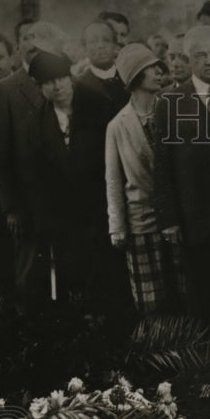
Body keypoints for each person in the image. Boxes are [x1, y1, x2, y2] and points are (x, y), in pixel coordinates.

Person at [152, 25, 210, 356]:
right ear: (188, 58)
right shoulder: (170, 103)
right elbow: (163, 165)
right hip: (194, 220)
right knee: (200, 302)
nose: (209, 61)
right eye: (200, 55)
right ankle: (204, 374)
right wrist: (169, 219)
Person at [22, 50, 126, 309]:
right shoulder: (37, 122)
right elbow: (37, 177)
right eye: (48, 82)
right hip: (65, 222)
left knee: (110, 284)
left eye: (61, 78)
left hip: (102, 214)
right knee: (73, 287)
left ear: (70, 78)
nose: (57, 86)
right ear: (39, 87)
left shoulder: (99, 107)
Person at [0, 19, 64, 304]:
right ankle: (32, 327)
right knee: (31, 276)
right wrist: (11, 206)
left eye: (41, 37)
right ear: (18, 47)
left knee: (70, 271)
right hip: (26, 203)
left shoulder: (66, 82)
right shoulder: (5, 90)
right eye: (27, 38)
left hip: (64, 200)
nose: (34, 43)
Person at [105, 43, 187, 315]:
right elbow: (113, 181)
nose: (159, 72)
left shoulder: (172, 110)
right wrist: (117, 226)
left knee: (186, 295)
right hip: (142, 224)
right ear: (135, 76)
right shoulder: (117, 126)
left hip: (176, 219)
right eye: (151, 68)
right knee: (152, 304)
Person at [78, 19, 128, 117]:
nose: (100, 45)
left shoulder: (128, 80)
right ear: (85, 49)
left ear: (115, 46)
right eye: (93, 41)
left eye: (106, 40)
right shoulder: (78, 86)